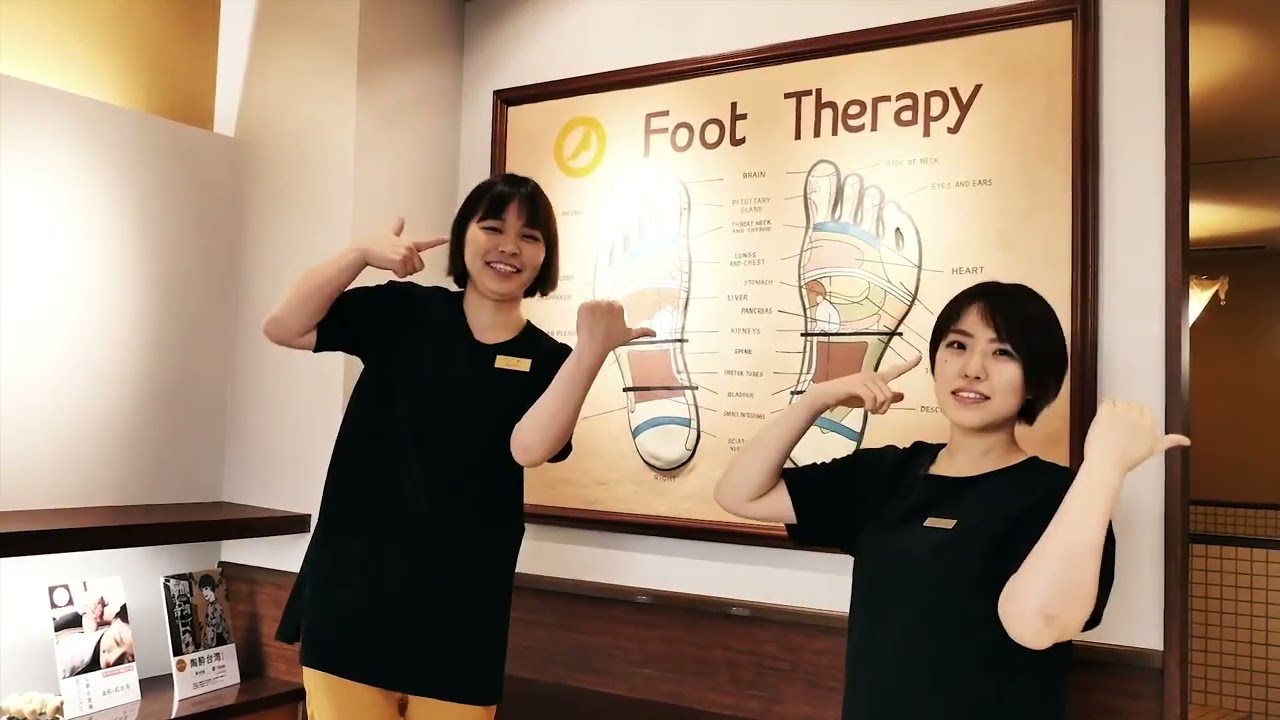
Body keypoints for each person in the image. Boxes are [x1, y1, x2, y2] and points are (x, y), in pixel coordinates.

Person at [262, 173, 651, 720]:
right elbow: (284, 326)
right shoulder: (404, 312)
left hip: (462, 610)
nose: (509, 246)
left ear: (545, 257)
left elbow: (528, 448)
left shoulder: (549, 360)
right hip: (353, 589)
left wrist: (592, 350)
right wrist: (358, 255)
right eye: (493, 227)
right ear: (463, 235)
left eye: (530, 236)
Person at [713, 280, 1189, 720]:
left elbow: (1036, 624)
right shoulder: (887, 473)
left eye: (1002, 353)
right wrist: (815, 399)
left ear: (1034, 379)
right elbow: (741, 494)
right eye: (958, 345)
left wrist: (1104, 467)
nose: (972, 369)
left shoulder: (1060, 496)